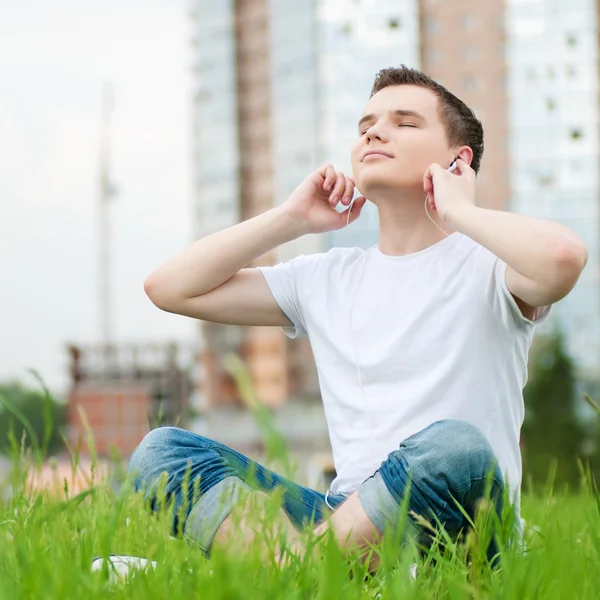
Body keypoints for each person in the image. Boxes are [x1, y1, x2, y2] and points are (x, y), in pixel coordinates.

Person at [128, 66, 587, 565]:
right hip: (343, 519)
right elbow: (169, 288)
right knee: (162, 453)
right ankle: (308, 571)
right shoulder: (325, 276)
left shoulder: (492, 265)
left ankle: (287, 572)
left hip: (465, 534)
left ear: (458, 160)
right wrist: (291, 219)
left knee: (454, 446)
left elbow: (562, 258)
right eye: (366, 123)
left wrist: (460, 213)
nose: (374, 131)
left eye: (405, 122)